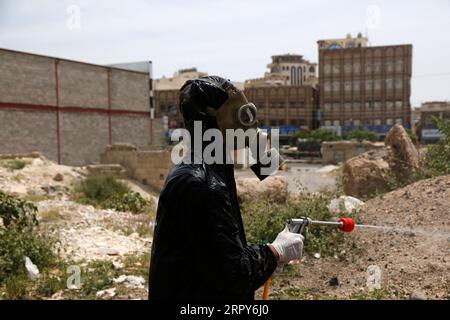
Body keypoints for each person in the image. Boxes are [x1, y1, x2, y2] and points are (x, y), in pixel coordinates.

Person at [148, 76, 304, 300]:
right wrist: (274, 252)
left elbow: (216, 259)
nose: (248, 120)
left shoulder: (210, 168)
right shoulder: (202, 184)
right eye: (240, 113)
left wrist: (254, 141)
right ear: (212, 118)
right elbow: (233, 274)